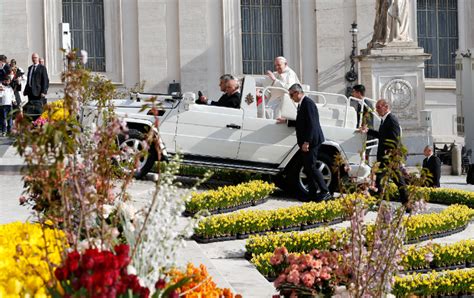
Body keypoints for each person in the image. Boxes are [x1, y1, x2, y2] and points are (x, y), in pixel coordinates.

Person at [359, 99, 409, 207]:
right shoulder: (384, 120)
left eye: (378, 107)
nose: (376, 110)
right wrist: (368, 130)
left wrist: (391, 154)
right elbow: (381, 135)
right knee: (379, 178)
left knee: (398, 181)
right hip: (384, 157)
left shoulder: (392, 119)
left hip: (389, 157)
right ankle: (377, 201)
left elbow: (395, 139)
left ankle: (407, 203)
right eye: (376, 107)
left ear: (386, 107)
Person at [289, 83, 331, 202]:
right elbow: (302, 122)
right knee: (308, 168)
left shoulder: (308, 103)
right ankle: (312, 194)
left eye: (291, 95)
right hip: (307, 141)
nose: (291, 97)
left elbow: (312, 124)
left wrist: (307, 142)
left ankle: (325, 191)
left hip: (312, 141)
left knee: (312, 167)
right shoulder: (302, 104)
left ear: (297, 93)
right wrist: (287, 122)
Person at [23, 53, 49, 119]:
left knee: (38, 109)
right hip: (30, 92)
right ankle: (32, 122)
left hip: (38, 92)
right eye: (33, 58)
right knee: (31, 109)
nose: (34, 59)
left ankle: (38, 122)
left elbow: (45, 80)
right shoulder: (30, 68)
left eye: (35, 57)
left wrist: (44, 91)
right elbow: (29, 80)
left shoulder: (42, 68)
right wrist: (25, 90)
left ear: (38, 58)